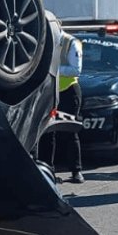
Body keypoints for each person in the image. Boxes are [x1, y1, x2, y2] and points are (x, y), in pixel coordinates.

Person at [38, 16, 85, 183]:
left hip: (67, 92)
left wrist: (53, 68)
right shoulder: (43, 42)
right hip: (49, 92)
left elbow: (75, 70)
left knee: (69, 131)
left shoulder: (71, 42)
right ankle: (48, 171)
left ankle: (76, 171)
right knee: (46, 132)